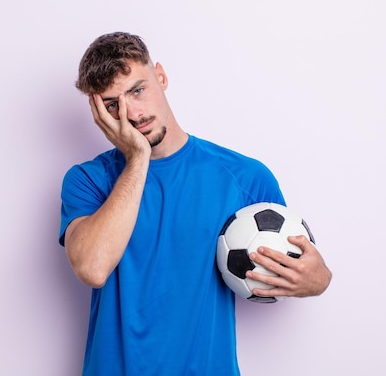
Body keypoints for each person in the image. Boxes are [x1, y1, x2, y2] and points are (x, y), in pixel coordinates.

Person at [59, 31, 332, 376]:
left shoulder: (243, 176)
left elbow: (308, 267)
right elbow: (92, 268)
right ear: (99, 113)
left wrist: (316, 279)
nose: (132, 112)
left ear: (161, 76)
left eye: (138, 90)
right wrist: (138, 158)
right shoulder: (87, 180)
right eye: (113, 104)